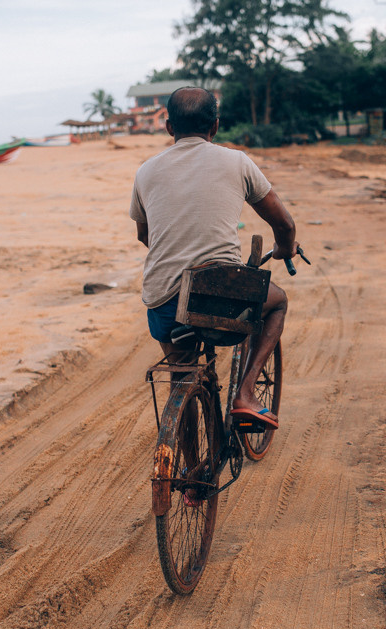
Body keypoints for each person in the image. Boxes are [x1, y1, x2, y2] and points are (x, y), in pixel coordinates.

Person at [129, 86, 298, 430]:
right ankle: (246, 393)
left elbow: (145, 236)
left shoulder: (146, 171)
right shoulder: (236, 161)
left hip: (164, 301)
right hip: (220, 295)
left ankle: (189, 479)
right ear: (215, 126)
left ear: (169, 127)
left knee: (181, 377)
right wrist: (284, 246)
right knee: (277, 303)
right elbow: (284, 223)